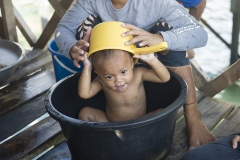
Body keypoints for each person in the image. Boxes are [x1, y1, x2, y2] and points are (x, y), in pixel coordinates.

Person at [54, 0, 216, 149]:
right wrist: (71, 48)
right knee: (88, 24)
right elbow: (63, 29)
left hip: (151, 55)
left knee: (167, 28)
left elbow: (200, 33)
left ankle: (193, 117)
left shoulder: (160, 3)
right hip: (111, 63)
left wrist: (160, 38)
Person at [78, 48, 170, 122]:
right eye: (109, 77)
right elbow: (84, 94)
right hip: (111, 125)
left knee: (161, 112)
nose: (118, 80)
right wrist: (87, 67)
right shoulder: (101, 81)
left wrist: (152, 60)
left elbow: (164, 78)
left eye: (123, 72)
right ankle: (108, 137)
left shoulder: (139, 74)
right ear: (98, 73)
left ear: (132, 63)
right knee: (84, 113)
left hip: (141, 122)